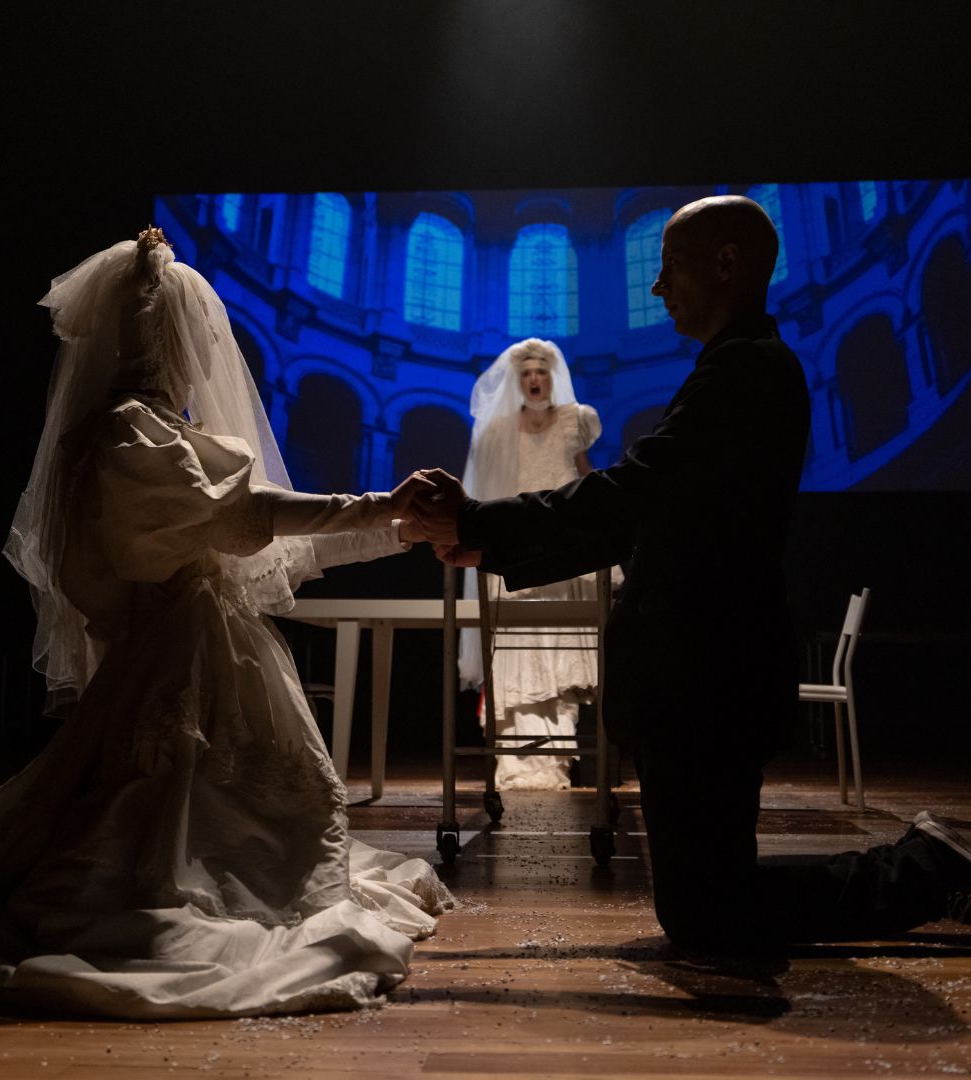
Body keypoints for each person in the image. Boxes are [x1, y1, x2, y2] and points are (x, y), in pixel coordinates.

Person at [0, 228, 451, 1018]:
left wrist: (399, 530)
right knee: (165, 824)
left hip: (205, 644)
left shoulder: (153, 433)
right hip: (176, 651)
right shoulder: (129, 436)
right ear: (160, 336)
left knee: (241, 812)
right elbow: (250, 515)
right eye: (193, 335)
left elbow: (268, 541)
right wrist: (384, 504)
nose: (202, 353)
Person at [412, 196, 970, 954]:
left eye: (669, 267)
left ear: (727, 264)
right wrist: (491, 547)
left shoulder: (747, 370)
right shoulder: (735, 367)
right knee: (704, 906)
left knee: (710, 911)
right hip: (698, 675)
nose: (656, 288)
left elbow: (634, 493)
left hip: (707, 674)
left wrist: (480, 525)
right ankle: (929, 865)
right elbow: (644, 512)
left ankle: (931, 868)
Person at [459, 338, 617, 789]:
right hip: (516, 555)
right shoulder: (497, 430)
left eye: (541, 372)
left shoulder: (575, 420)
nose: (534, 380)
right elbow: (486, 490)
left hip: (563, 552)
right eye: (526, 373)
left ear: (552, 377)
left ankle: (558, 757)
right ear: (517, 380)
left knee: (558, 654)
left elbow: (586, 478)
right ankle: (519, 761)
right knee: (517, 654)